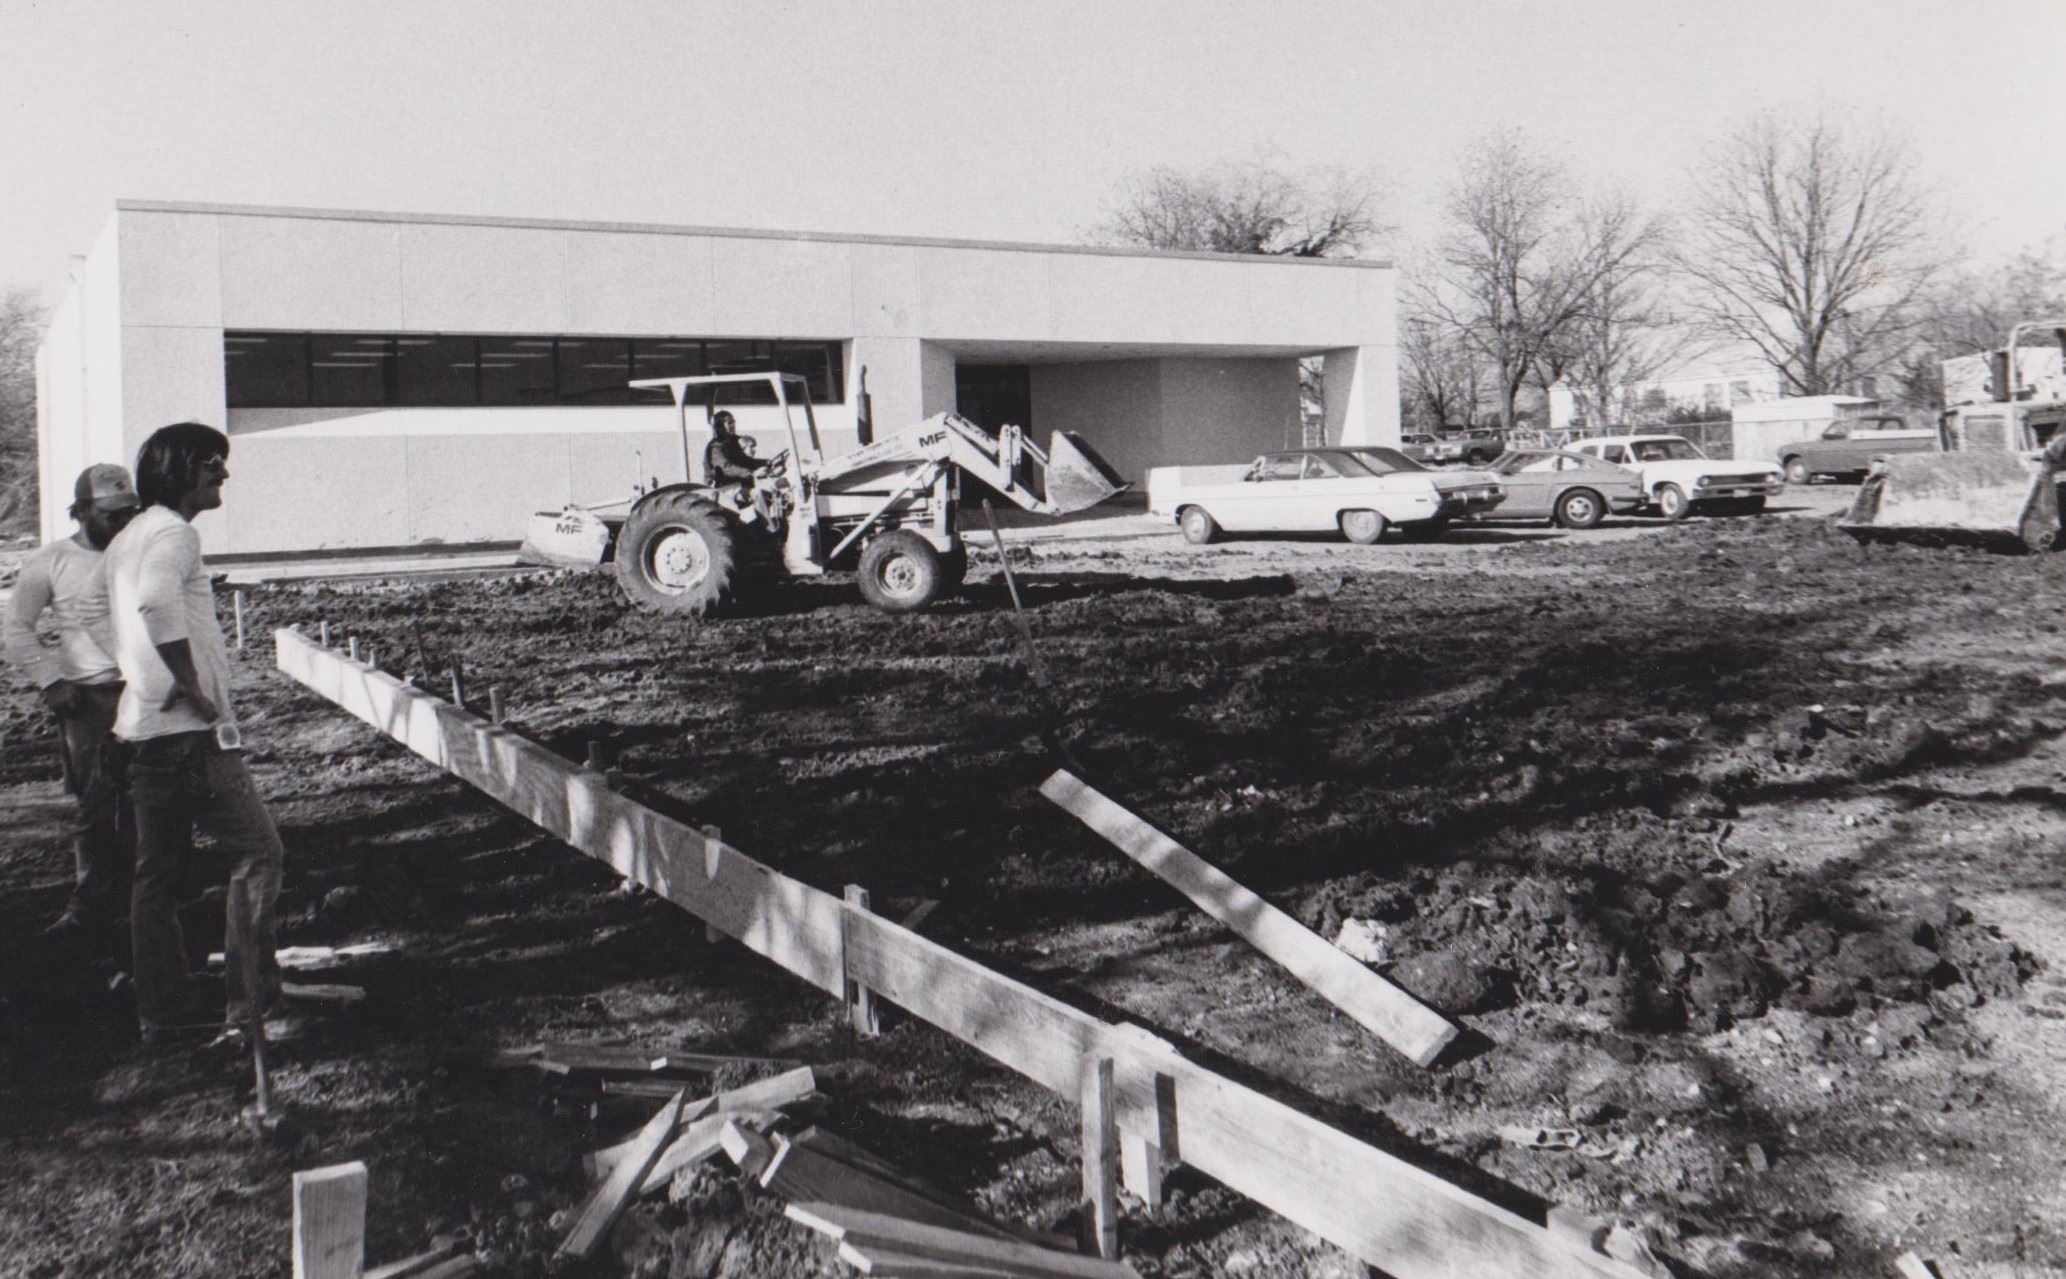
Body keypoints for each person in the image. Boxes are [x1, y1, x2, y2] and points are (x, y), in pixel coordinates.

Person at [104, 423, 283, 1045]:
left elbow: (125, 618)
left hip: (143, 731)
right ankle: (248, 1008)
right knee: (260, 854)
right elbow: (155, 602)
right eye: (213, 464)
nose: (223, 475)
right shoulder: (175, 533)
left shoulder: (128, 536)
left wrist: (151, 677)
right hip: (187, 734)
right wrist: (190, 683)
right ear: (181, 471)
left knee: (156, 876)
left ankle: (161, 1013)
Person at [4, 464, 141, 945]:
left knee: (154, 803)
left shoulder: (139, 553)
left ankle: (152, 906)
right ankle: (88, 907)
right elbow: (17, 627)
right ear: (82, 512)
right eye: (111, 515)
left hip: (147, 694)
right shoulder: (52, 560)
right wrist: (50, 680)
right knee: (97, 808)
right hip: (91, 701)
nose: (122, 523)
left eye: (130, 512)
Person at [703, 410, 764, 488]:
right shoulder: (715, 447)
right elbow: (725, 467)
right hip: (721, 487)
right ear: (720, 427)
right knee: (754, 495)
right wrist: (749, 473)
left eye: (734, 422)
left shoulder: (733, 441)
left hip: (737, 484)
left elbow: (744, 460)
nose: (733, 425)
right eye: (730, 423)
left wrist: (765, 463)